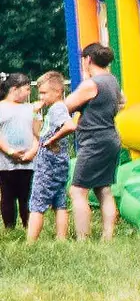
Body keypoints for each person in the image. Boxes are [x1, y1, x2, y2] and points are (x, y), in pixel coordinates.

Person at [63, 43, 124, 241]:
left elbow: (67, 105)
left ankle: (83, 238)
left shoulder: (91, 84)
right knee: (103, 188)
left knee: (77, 190)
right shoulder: (112, 80)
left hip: (94, 141)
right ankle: (107, 237)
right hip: (110, 138)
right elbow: (123, 101)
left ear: (88, 59)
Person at [27, 71, 75, 242]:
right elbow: (39, 135)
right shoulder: (52, 110)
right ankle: (61, 239)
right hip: (57, 161)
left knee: (37, 202)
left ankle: (30, 242)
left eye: (44, 93)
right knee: (59, 201)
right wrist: (34, 115)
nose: (41, 96)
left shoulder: (58, 108)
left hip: (50, 163)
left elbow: (70, 126)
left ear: (58, 91)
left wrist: (52, 140)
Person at [0, 73, 37, 229]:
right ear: (14, 89)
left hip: (28, 162)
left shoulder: (30, 109)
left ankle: (29, 226)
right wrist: (9, 151)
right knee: (7, 195)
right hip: (5, 162)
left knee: (26, 196)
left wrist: (32, 152)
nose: (29, 93)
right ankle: (10, 227)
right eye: (27, 89)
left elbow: (37, 134)